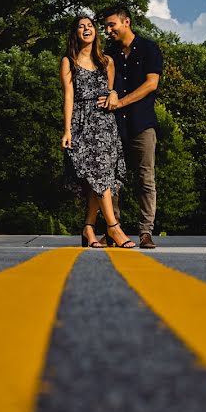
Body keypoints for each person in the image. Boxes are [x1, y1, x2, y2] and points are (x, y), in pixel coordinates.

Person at [60, 15, 136, 248]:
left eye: (90, 26)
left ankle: (88, 229)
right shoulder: (69, 61)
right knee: (98, 174)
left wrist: (114, 95)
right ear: (75, 33)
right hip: (82, 123)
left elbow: (111, 91)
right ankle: (114, 228)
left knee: (102, 175)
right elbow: (69, 96)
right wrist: (67, 130)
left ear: (95, 32)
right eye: (81, 26)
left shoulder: (107, 62)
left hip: (105, 124)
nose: (86, 29)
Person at [99, 6, 163, 249]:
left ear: (126, 22)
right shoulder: (109, 52)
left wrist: (121, 102)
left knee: (145, 178)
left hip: (142, 123)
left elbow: (151, 84)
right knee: (113, 179)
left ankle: (145, 232)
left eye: (111, 25)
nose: (108, 30)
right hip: (114, 125)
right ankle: (114, 230)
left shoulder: (149, 48)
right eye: (105, 26)